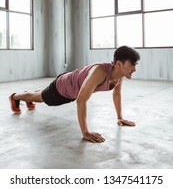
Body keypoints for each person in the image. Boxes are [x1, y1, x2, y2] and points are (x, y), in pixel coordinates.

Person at [9, 45, 140, 143]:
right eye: (131, 65)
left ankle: (27, 95)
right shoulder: (99, 72)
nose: (134, 69)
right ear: (118, 64)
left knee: (38, 94)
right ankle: (15, 97)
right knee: (38, 97)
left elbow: (116, 94)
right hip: (62, 89)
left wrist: (120, 117)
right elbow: (81, 101)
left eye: (135, 65)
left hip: (72, 87)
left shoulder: (119, 75)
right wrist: (85, 133)